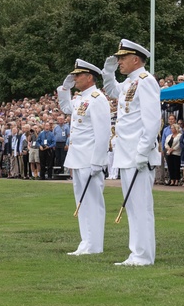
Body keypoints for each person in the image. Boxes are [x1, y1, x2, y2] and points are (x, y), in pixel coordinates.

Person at [102, 39, 161, 266]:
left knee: (141, 206)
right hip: (126, 154)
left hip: (138, 155)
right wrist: (108, 72)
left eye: (122, 59)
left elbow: (152, 120)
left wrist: (143, 151)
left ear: (135, 59)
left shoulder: (146, 81)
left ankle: (144, 256)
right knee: (133, 208)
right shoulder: (129, 83)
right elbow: (111, 89)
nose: (119, 63)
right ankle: (136, 253)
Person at [57, 59, 111, 255]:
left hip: (90, 159)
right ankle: (86, 241)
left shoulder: (98, 99)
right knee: (81, 201)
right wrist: (65, 88)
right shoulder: (80, 98)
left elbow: (103, 133)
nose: (75, 78)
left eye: (78, 75)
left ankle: (94, 245)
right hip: (78, 158)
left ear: (89, 77)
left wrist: (98, 161)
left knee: (93, 202)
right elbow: (65, 108)